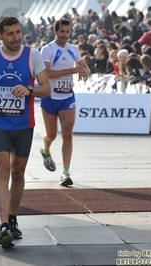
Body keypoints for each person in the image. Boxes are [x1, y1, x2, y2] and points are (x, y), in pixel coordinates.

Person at [0, 15, 50, 248]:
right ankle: (3, 226)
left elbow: (46, 87)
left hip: (24, 125)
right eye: (10, 33)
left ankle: (13, 218)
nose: (16, 37)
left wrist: (29, 89)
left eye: (18, 32)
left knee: (19, 172)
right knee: (2, 171)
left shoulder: (32, 55)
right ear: (0, 36)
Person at [39, 17, 90, 187]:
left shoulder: (73, 49)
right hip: (50, 97)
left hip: (67, 97)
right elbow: (46, 74)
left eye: (67, 32)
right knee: (52, 135)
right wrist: (72, 70)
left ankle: (65, 172)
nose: (65, 35)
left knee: (67, 133)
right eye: (62, 32)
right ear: (55, 32)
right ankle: (45, 150)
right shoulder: (47, 49)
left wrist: (85, 70)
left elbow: (84, 66)